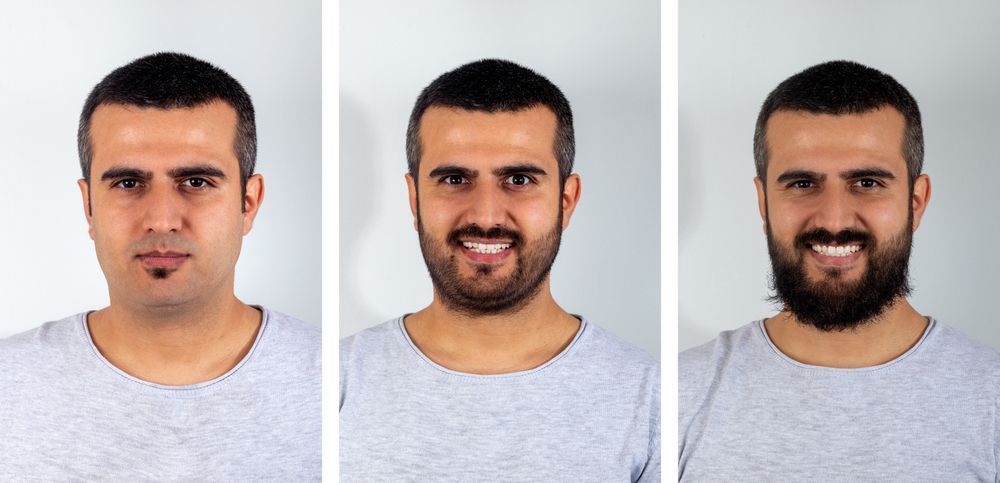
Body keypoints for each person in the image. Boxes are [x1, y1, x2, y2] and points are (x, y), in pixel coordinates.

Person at [0, 53, 320, 480]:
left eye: (196, 182)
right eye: (128, 183)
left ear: (248, 203)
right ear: (88, 206)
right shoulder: (9, 386)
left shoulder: (329, 382)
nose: (163, 219)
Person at [340, 59, 660, 481]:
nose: (487, 216)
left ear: (566, 201)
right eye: (455, 179)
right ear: (414, 200)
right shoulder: (333, 384)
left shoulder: (651, 399)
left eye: (520, 180)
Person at [679, 60, 1000, 480]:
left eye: (867, 183)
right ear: (764, 204)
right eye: (802, 184)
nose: (832, 220)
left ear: (916, 202)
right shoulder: (679, 395)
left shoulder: (990, 400)